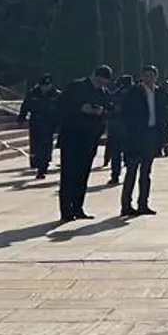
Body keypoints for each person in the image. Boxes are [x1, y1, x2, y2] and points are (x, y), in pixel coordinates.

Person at [56, 65, 114, 223]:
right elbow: (60, 106)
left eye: (104, 83)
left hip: (90, 138)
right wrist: (80, 108)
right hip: (72, 137)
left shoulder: (103, 93)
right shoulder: (76, 87)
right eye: (99, 81)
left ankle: (78, 207)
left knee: (83, 174)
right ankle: (66, 210)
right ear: (93, 75)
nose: (100, 85)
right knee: (68, 174)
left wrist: (101, 112)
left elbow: (111, 111)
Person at [115, 65, 168, 216]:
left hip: (151, 134)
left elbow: (163, 116)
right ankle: (126, 205)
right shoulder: (134, 92)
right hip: (136, 136)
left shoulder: (159, 93)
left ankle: (143, 204)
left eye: (151, 76)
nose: (148, 78)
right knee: (131, 171)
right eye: (146, 75)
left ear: (156, 77)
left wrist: (163, 139)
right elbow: (125, 114)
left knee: (146, 172)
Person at [20, 76, 60, 178]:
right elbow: (25, 106)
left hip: (50, 124)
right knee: (35, 144)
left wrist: (60, 124)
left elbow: (62, 110)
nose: (45, 88)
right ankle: (36, 162)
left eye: (47, 85)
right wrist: (21, 118)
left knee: (46, 145)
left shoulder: (57, 95)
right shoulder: (33, 93)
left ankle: (43, 166)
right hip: (36, 122)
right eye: (43, 85)